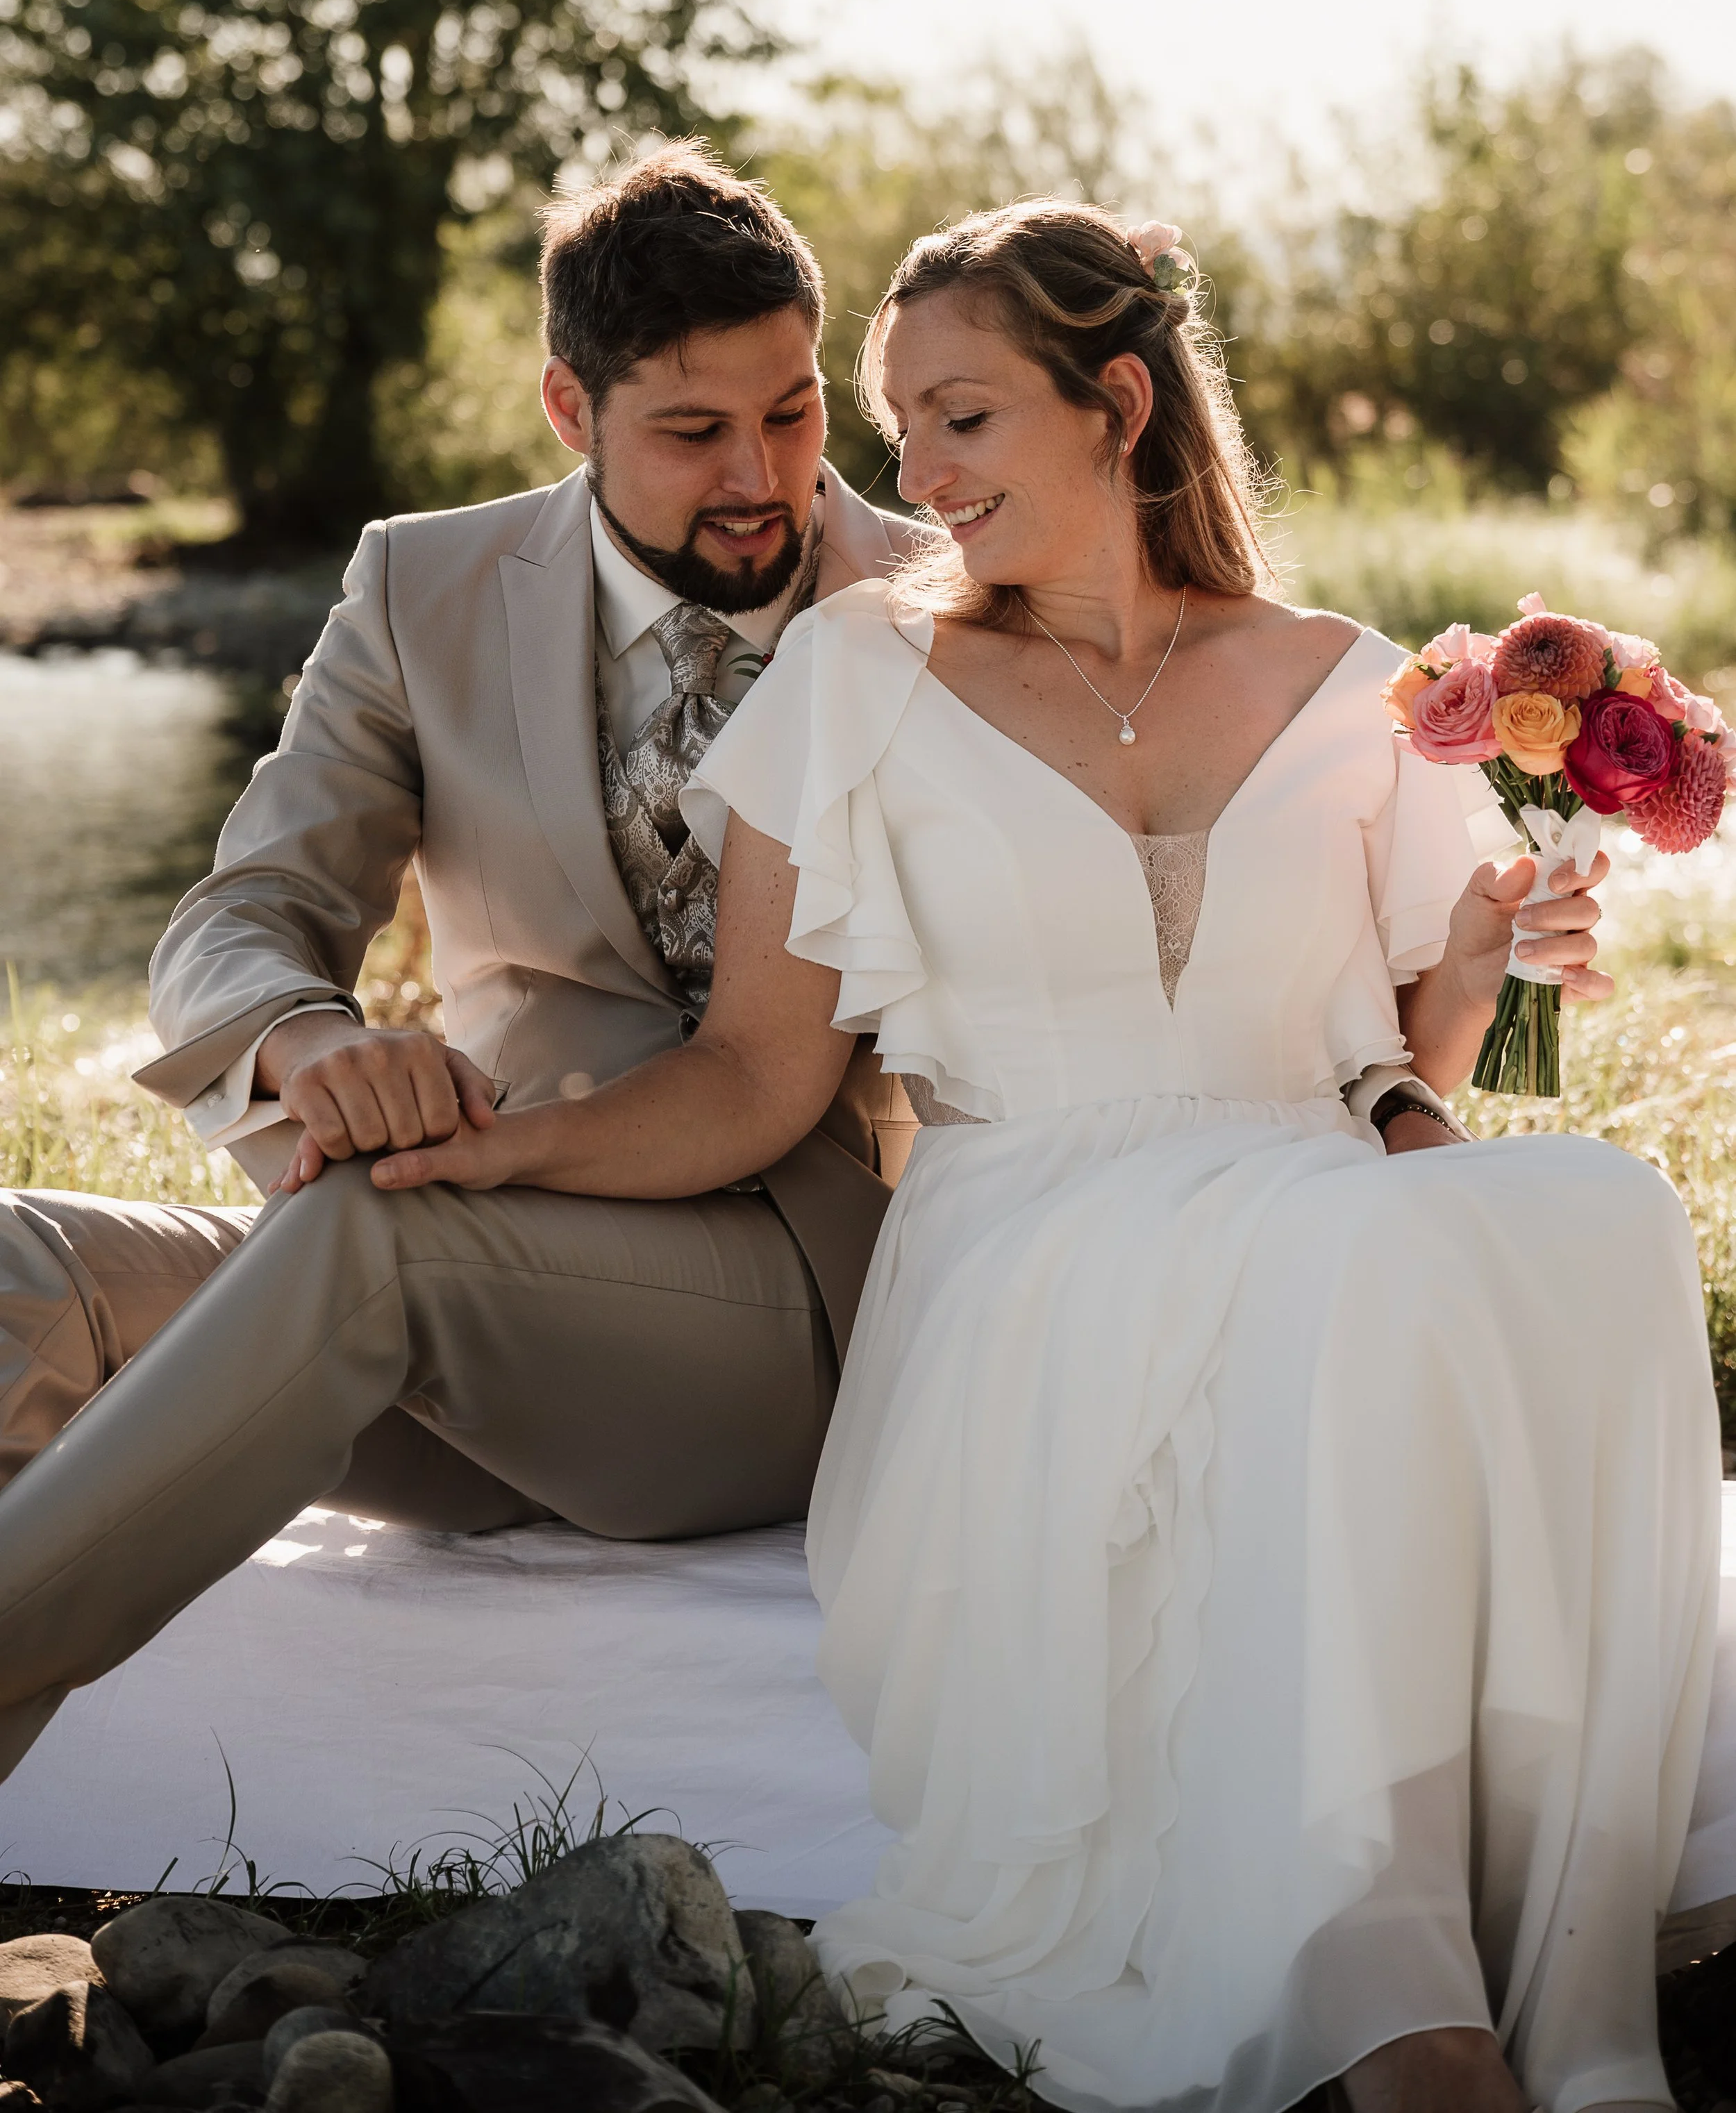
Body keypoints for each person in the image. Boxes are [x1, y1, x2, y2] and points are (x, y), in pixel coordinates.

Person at [247, 202, 1719, 2113]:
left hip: (1313, 1204)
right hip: (1034, 1236)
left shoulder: (1357, 681)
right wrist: (486, 1154)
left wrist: (1483, 965)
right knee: (1370, 1260)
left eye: (954, 421)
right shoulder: (858, 677)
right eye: (895, 425)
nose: (904, 478)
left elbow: (1393, 1068)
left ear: (1114, 403)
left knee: (1590, 1204)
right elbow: (752, 1078)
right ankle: (1397, 2007)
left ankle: (1469, 1963)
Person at [0, 142, 930, 1776]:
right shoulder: (417, 586)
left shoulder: (950, 604)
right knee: (19, 1262)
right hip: (476, 1295)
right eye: (693, 430)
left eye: (793, 414)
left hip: (811, 1311)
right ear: (569, 413)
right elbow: (242, 917)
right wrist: (305, 1042)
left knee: (368, 1239)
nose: (763, 478)